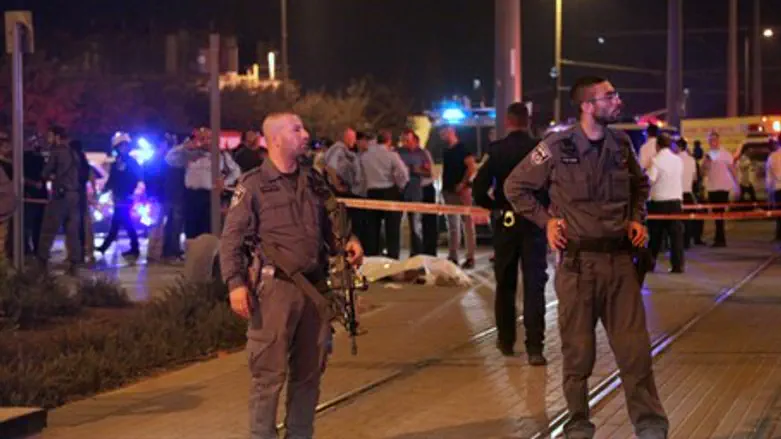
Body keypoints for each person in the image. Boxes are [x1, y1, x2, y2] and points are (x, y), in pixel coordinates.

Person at [504, 76, 668, 439]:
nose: (618, 100)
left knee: (635, 352)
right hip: (578, 268)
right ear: (588, 106)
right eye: (610, 96)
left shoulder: (621, 144)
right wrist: (546, 222)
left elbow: (641, 186)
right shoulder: (556, 146)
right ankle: (578, 423)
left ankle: (650, 424)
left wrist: (636, 218)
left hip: (621, 266)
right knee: (578, 353)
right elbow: (515, 186)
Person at [220, 112, 364, 439]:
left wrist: (349, 242)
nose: (305, 134)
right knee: (268, 376)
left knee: (310, 375)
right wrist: (235, 284)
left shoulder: (313, 181)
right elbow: (231, 239)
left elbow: (333, 221)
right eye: (296, 129)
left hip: (315, 290)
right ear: (275, 139)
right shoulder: (253, 184)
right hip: (274, 292)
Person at [472, 102, 549, 366]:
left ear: (507, 121)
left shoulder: (497, 151)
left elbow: (478, 188)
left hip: (506, 222)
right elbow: (552, 185)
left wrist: (495, 205)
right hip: (535, 223)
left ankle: (506, 341)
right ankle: (535, 347)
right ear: (528, 121)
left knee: (505, 284)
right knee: (534, 285)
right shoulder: (540, 150)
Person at [37, 126, 83, 272]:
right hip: (74, 196)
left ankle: (42, 261)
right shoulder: (74, 153)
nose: (48, 139)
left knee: (49, 229)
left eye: (50, 136)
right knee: (72, 231)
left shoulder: (56, 152)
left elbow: (45, 172)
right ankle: (74, 263)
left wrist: (49, 176)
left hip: (60, 196)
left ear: (57, 137)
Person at [646, 133, 684, 273]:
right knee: (676, 236)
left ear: (658, 145)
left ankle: (650, 264)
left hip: (659, 202)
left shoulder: (656, 161)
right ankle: (677, 265)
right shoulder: (678, 160)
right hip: (675, 201)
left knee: (655, 236)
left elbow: (650, 180)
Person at [701, 131, 737, 247]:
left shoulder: (725, 154)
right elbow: (702, 172)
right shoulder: (708, 155)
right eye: (710, 140)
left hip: (723, 187)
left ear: (718, 140)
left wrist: (737, 185)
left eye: (714, 140)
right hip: (712, 188)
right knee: (716, 215)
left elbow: (732, 170)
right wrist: (706, 163)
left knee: (720, 214)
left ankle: (720, 239)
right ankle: (719, 238)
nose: (712, 142)